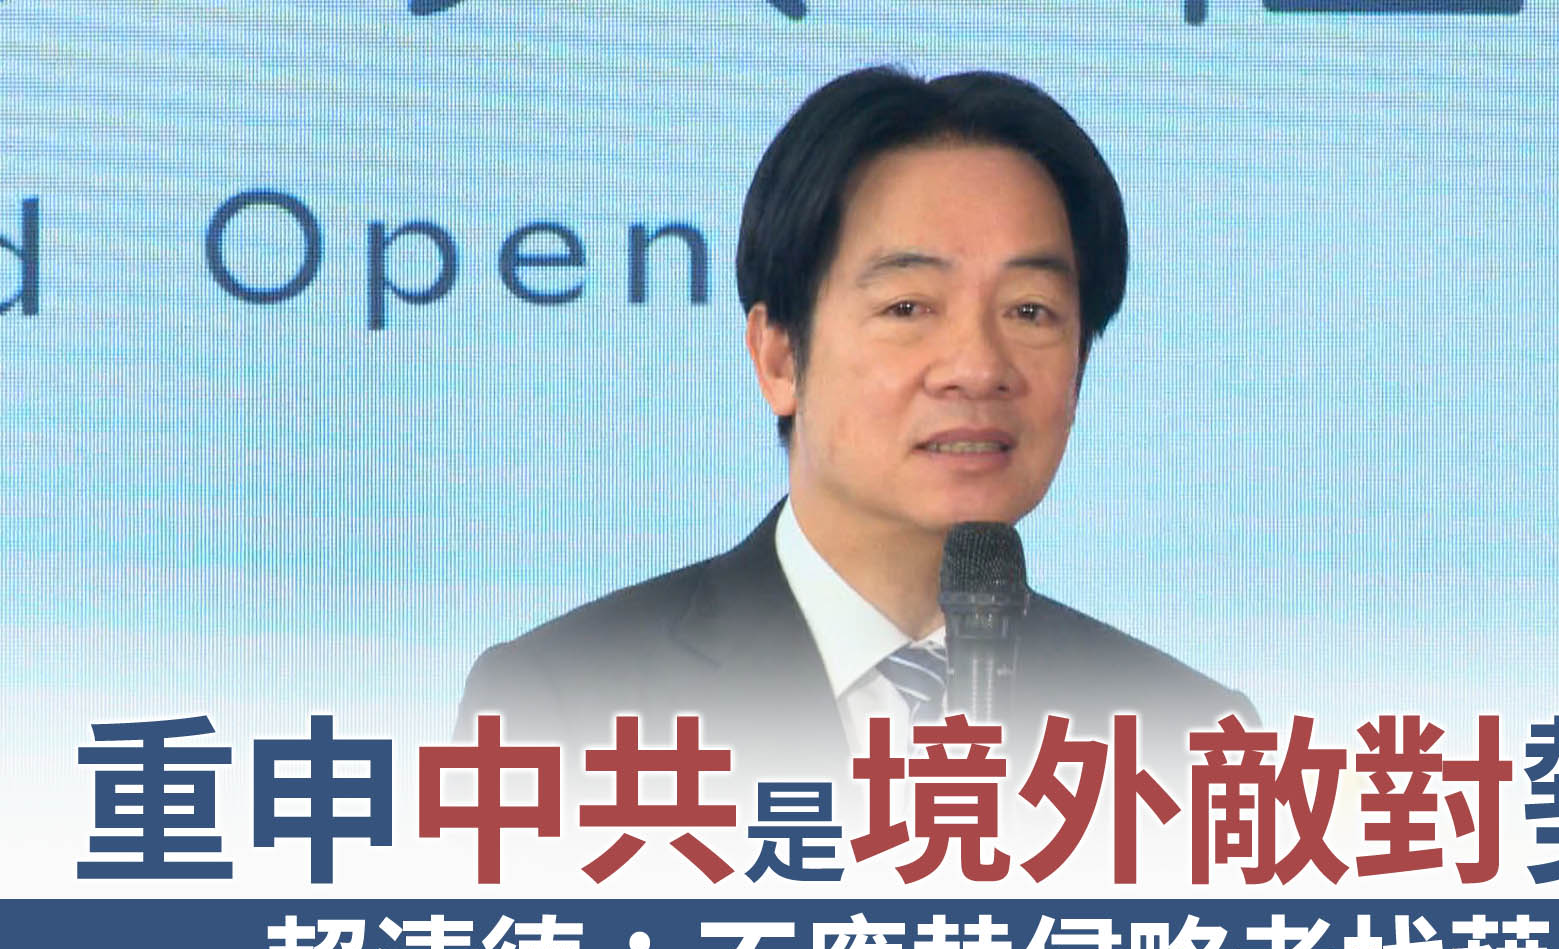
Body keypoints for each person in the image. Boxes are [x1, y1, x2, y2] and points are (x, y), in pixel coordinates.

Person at [458, 66, 1253, 794]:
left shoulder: (1188, 740)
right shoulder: (563, 706)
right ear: (779, 358)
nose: (978, 367)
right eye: (908, 307)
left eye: (1030, 311)